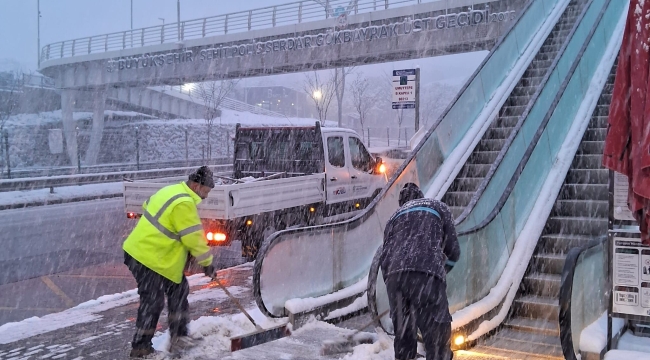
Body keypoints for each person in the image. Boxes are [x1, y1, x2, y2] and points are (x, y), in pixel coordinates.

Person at [123, 166, 216, 358]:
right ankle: (141, 348)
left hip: (157, 258)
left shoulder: (171, 190)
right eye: (206, 191)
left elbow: (146, 205)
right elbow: (193, 238)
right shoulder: (183, 203)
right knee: (153, 300)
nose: (206, 196)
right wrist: (207, 263)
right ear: (197, 186)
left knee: (179, 290)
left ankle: (179, 338)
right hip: (145, 258)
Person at [380, 183, 461, 360]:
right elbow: (454, 252)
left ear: (402, 203)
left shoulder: (394, 218)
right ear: (421, 196)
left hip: (396, 279)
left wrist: (395, 286)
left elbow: (384, 259)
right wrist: (440, 271)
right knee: (437, 341)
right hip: (427, 276)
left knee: (404, 340)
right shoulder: (437, 206)